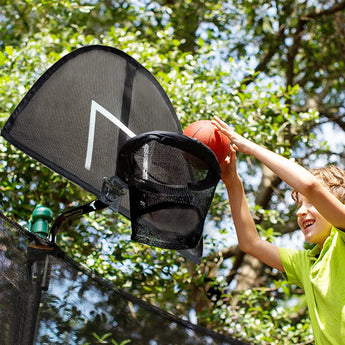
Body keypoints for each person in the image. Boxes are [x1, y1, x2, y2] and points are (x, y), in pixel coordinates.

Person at [211, 115, 345, 345]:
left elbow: (310, 185)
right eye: (299, 204)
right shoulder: (307, 263)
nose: (300, 212)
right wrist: (232, 180)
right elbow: (250, 243)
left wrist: (249, 146)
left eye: (311, 203)